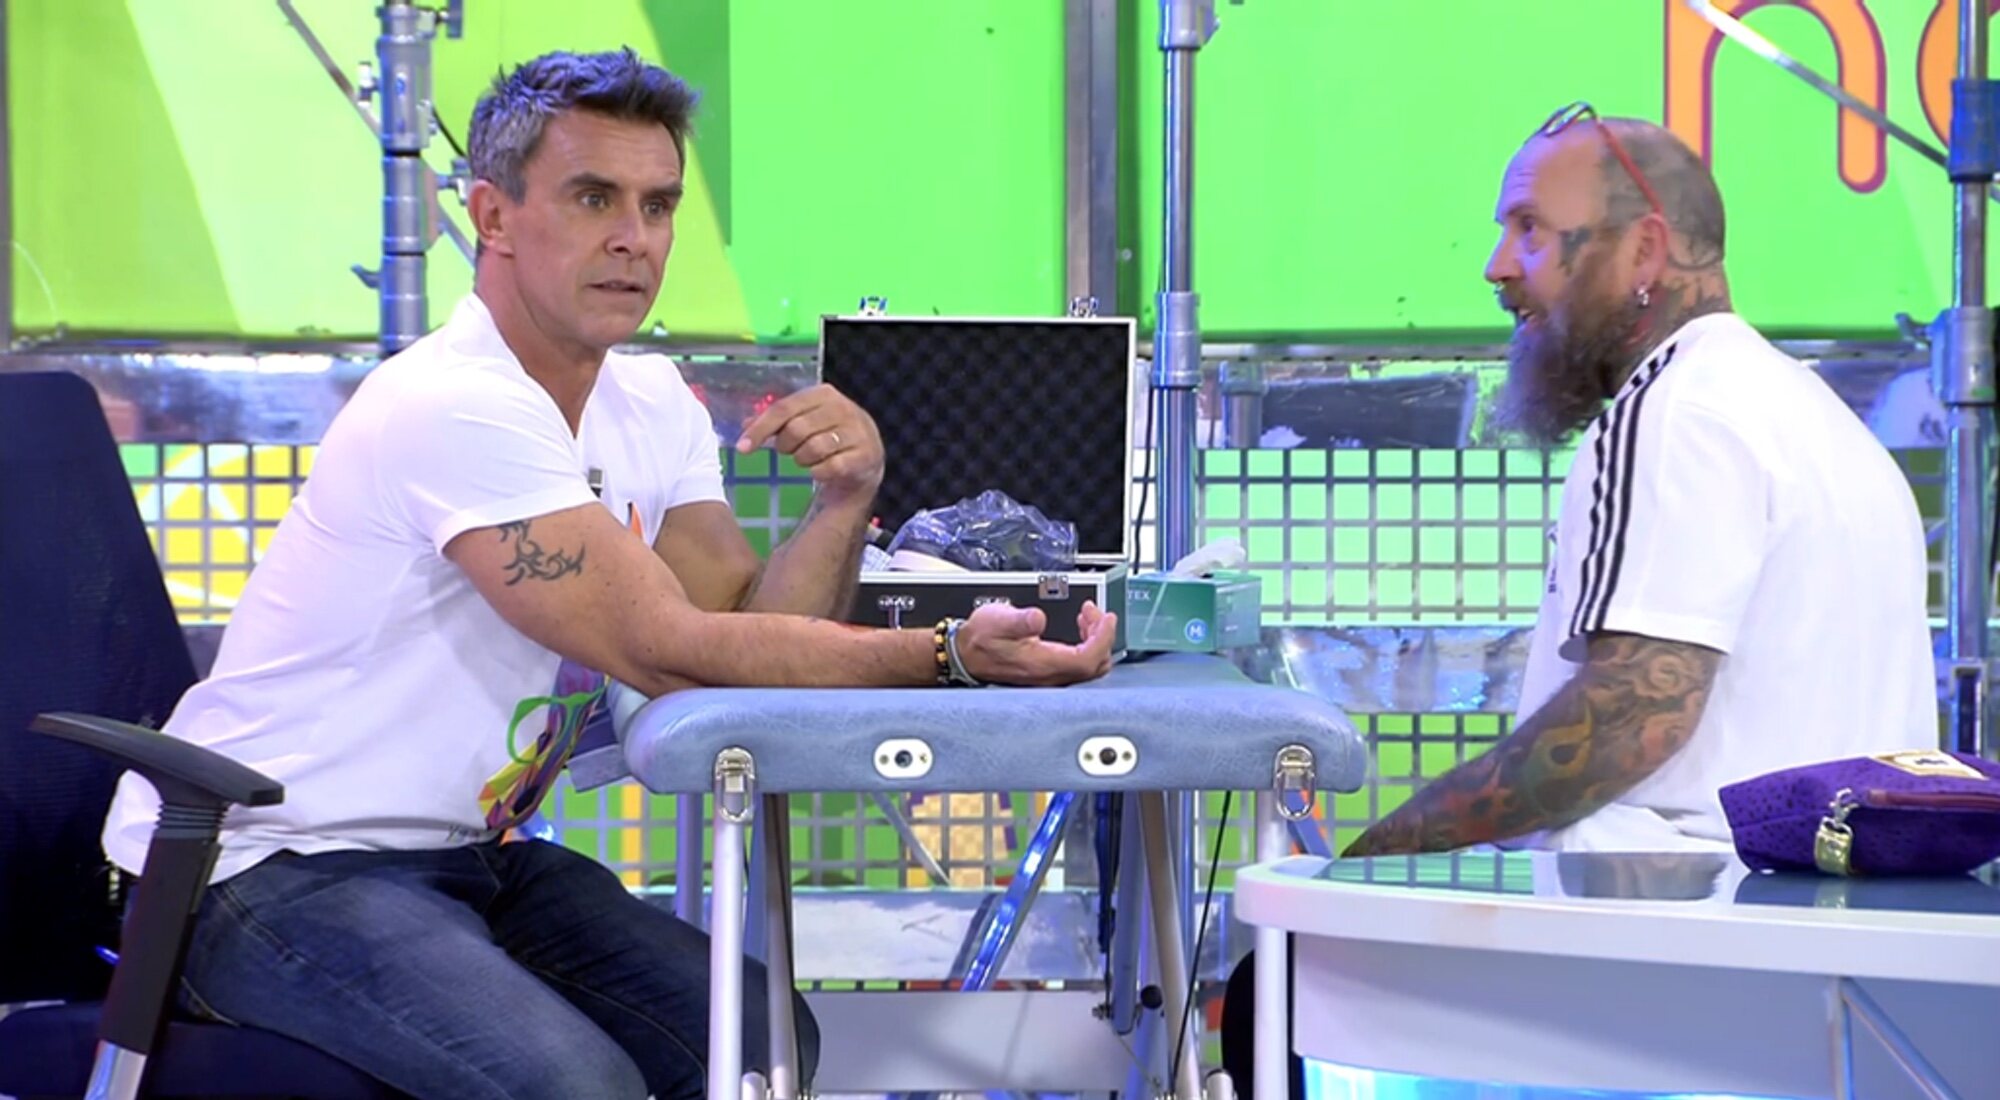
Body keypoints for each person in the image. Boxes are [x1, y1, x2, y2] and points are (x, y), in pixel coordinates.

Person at [100, 49, 1118, 1100]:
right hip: (261, 868)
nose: (635, 237)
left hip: (467, 857)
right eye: (594, 198)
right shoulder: (451, 403)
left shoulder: (649, 402)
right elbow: (672, 654)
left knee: (755, 1044)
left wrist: (845, 499)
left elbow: (740, 623)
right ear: (492, 217)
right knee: (574, 1086)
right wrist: (946, 654)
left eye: (657, 204)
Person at [1221, 103, 1936, 1096]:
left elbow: (1626, 722)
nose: (1496, 268)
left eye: (1530, 230)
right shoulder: (1807, 416)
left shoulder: (1670, 410)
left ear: (1643, 249)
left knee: (1277, 992)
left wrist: (1373, 864)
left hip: (1661, 976)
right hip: (1807, 982)